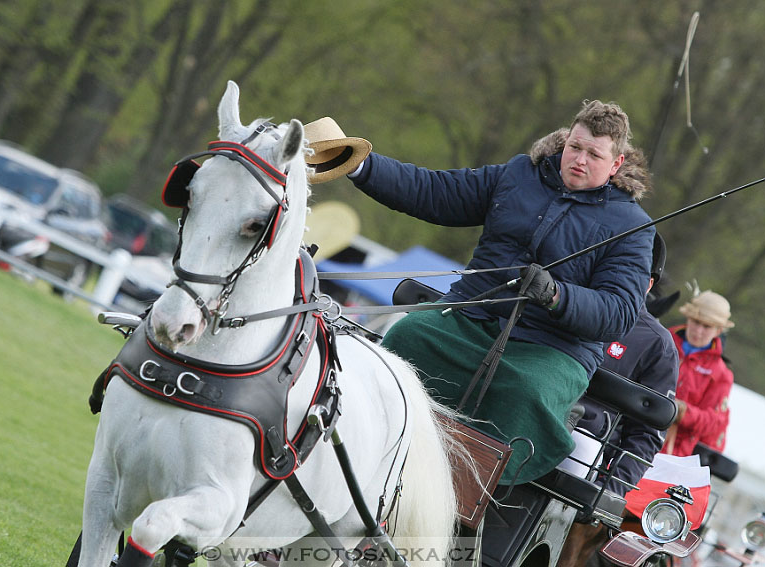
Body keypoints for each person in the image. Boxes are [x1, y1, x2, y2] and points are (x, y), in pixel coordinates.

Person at [304, 100, 655, 484]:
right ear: (566, 140)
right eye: (575, 146)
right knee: (408, 334)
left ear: (617, 164)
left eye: (594, 154)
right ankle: (361, 461)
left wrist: (557, 296)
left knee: (524, 393)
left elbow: (619, 313)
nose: (579, 159)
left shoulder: (634, 229)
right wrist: (361, 165)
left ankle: (471, 502)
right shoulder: (520, 174)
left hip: (551, 350)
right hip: (470, 315)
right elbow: (435, 192)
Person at [558, 232, 679, 567]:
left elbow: (644, 436)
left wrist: (611, 489)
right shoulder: (567, 300)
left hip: (584, 445)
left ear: (649, 282)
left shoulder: (657, 345)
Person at [662, 289, 734, 457]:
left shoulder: (721, 374)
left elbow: (713, 422)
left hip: (675, 454)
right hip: (634, 433)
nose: (698, 331)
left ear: (718, 330)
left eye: (707, 326)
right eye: (696, 322)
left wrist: (682, 411)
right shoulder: (662, 341)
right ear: (688, 318)